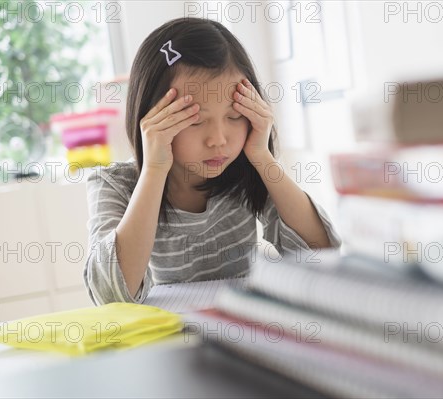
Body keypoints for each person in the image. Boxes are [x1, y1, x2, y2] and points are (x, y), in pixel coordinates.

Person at [84, 17, 342, 305]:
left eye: (234, 117)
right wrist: (155, 169)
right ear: (151, 119)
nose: (218, 139)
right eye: (194, 121)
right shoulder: (114, 184)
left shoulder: (245, 168)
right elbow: (109, 296)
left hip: (241, 331)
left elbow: (322, 253)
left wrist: (262, 156)